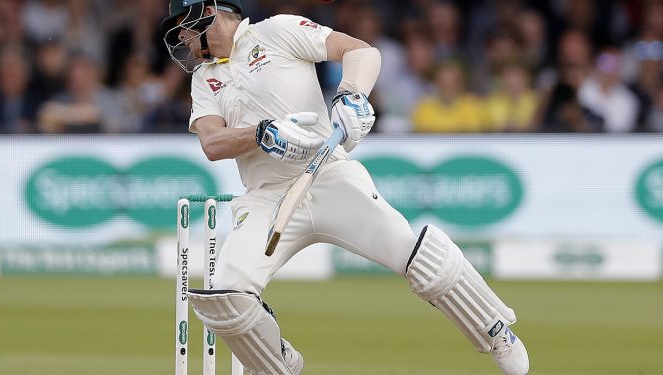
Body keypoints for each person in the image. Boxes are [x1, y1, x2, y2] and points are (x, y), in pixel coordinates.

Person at [161, 1, 530, 374]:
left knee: (417, 257)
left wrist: (352, 93)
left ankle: (495, 329)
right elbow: (212, 144)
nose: (182, 38)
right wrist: (260, 133)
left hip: (328, 175)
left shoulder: (275, 31)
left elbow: (361, 51)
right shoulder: (203, 78)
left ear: (207, 9)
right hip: (266, 197)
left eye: (183, 26)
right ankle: (279, 361)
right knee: (226, 298)